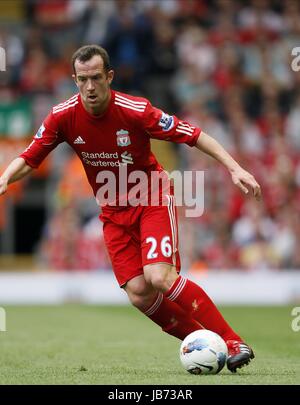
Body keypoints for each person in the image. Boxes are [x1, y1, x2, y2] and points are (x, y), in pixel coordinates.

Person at [0, 45, 261, 372]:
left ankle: (233, 340)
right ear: (74, 80)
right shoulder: (62, 116)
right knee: (139, 293)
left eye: (96, 78)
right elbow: (30, 157)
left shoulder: (136, 110)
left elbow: (193, 135)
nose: (90, 87)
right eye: (83, 80)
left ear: (109, 76)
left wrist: (235, 168)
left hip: (151, 198)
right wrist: (6, 178)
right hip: (112, 212)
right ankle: (205, 341)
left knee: (159, 276)